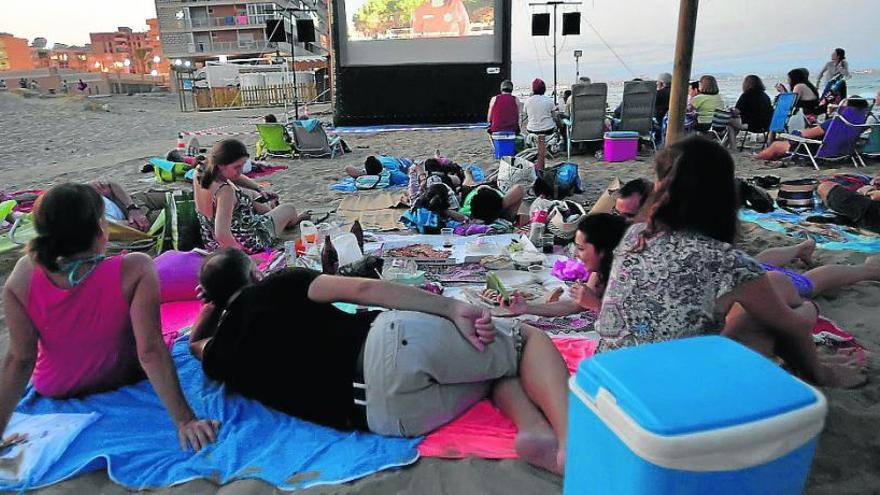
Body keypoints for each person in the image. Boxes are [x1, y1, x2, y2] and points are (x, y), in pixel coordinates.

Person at [190, 248, 571, 473]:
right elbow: (362, 289)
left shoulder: (222, 352)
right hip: (390, 345)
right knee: (525, 341)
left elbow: (196, 344)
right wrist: (451, 307)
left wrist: (208, 310)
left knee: (491, 369)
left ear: (215, 300)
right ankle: (570, 440)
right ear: (256, 273)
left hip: (389, 417)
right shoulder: (278, 283)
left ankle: (534, 430)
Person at [595, 136, 865, 388]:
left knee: (773, 289)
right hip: (672, 391)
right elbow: (790, 327)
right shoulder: (727, 261)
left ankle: (806, 305)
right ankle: (813, 343)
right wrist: (819, 350)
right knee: (779, 322)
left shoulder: (634, 235)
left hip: (613, 378)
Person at [0, 184, 219, 451]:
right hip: (120, 374)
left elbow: (19, 359)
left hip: (54, 386)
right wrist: (186, 420)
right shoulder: (135, 268)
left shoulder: (23, 276)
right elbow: (149, 350)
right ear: (100, 229)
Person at [194, 139, 309, 254]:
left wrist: (258, 188)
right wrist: (243, 258)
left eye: (242, 165)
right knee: (289, 209)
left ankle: (272, 212)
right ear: (221, 165)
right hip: (246, 243)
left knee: (251, 194)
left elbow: (235, 176)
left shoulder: (201, 172)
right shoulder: (225, 191)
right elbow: (222, 234)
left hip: (211, 241)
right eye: (237, 167)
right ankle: (291, 220)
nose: (241, 171)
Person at [503, 213, 630, 316]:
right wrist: (526, 308)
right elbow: (575, 305)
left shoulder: (629, 276)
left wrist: (595, 304)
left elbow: (635, 326)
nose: (575, 254)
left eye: (581, 248)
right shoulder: (600, 272)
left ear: (603, 251)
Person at [757, 97, 869, 161]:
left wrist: (795, 133)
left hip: (821, 152)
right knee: (785, 147)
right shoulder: (859, 124)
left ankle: (758, 159)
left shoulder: (834, 123)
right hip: (842, 151)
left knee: (776, 145)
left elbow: (806, 135)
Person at [525, 78, 557, 170]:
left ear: (533, 89)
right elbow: (554, 116)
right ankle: (551, 146)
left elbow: (526, 115)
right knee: (557, 125)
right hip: (548, 131)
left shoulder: (528, 101)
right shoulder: (549, 101)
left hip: (532, 130)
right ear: (544, 89)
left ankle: (534, 148)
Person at [459, 184, 524, 225]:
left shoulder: (464, 214)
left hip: (488, 207)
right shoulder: (500, 207)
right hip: (494, 208)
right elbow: (519, 188)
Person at [344, 155, 411, 186]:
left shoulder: (363, 176)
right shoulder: (392, 174)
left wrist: (363, 174)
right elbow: (407, 178)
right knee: (410, 160)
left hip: (388, 160)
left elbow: (347, 168)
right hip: (395, 162)